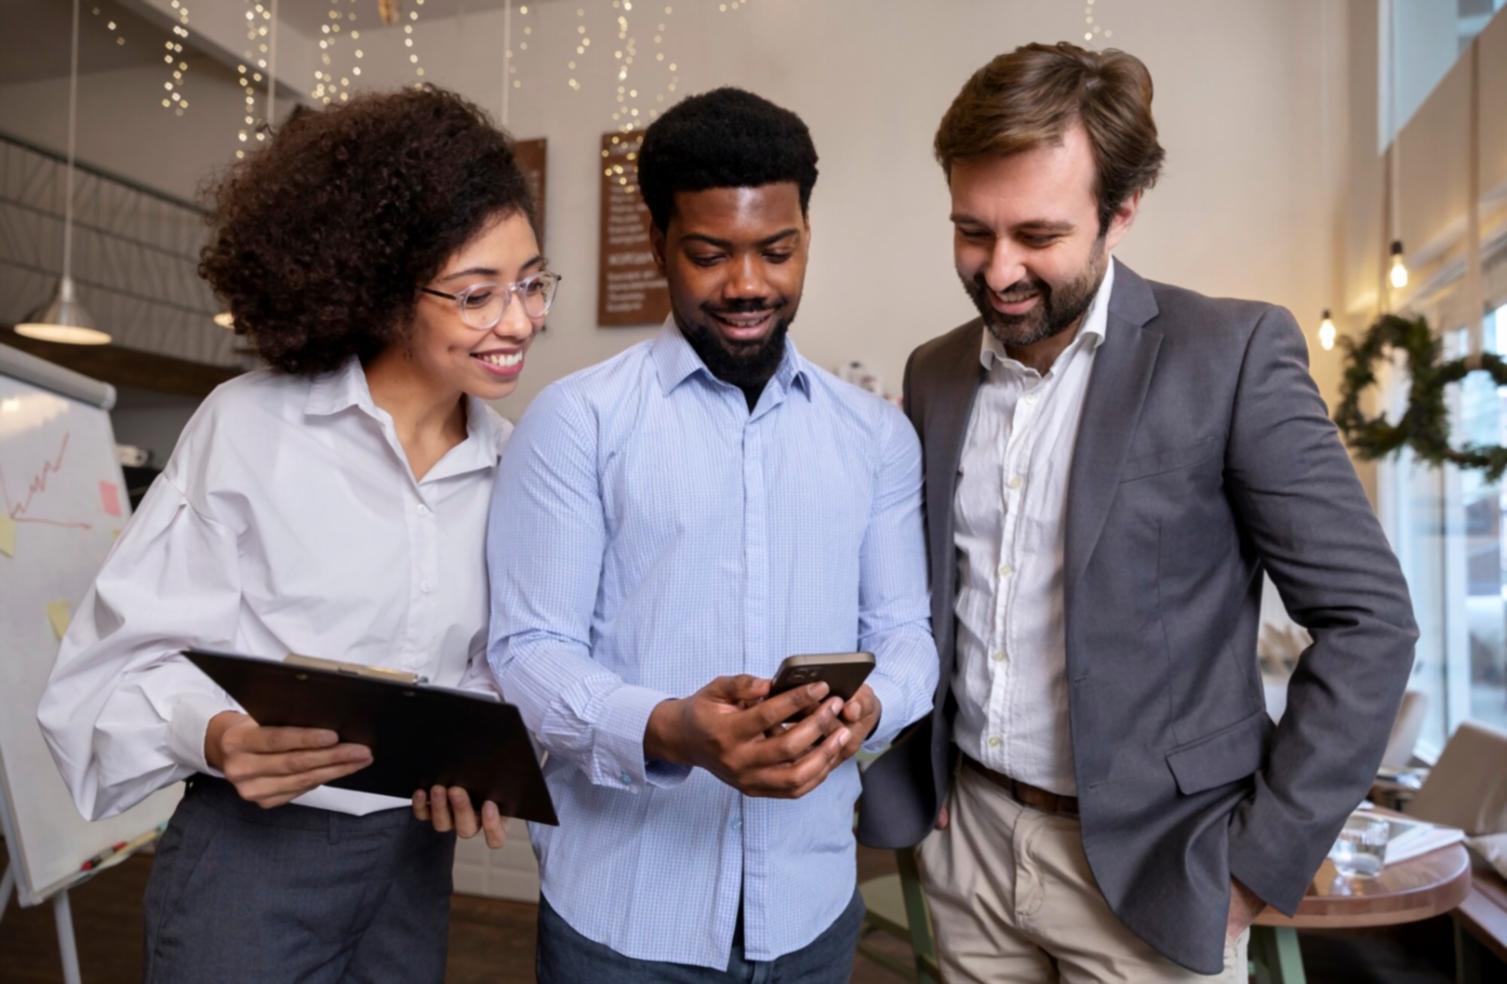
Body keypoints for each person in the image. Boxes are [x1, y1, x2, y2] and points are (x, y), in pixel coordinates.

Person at [857, 42, 1418, 980]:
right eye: (971, 231)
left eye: (1036, 236)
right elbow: (930, 596)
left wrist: (1250, 867)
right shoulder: (935, 371)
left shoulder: (1231, 354)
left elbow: (1369, 622)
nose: (996, 272)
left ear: (1120, 212)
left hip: (1160, 873)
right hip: (969, 851)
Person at [37, 86, 554, 982]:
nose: (517, 321)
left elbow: (486, 662)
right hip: (250, 857)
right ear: (385, 289)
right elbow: (114, 670)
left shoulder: (516, 467)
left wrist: (472, 752)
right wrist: (221, 736)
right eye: (477, 294)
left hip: (410, 859)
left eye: (531, 282)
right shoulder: (251, 430)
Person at [486, 87, 938, 982]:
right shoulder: (576, 422)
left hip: (810, 911)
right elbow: (528, 651)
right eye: (707, 254)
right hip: (622, 914)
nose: (747, 286)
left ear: (806, 234)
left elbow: (904, 636)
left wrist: (865, 709)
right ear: (657, 243)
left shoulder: (876, 437)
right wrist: (670, 729)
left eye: (777, 251)